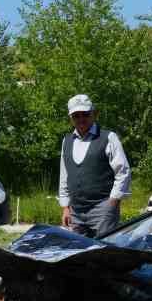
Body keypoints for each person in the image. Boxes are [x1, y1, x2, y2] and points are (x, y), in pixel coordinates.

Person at [58, 94, 131, 238]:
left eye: (85, 114)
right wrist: (65, 206)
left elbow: (123, 171)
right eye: (76, 115)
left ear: (93, 114)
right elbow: (64, 175)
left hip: (103, 208)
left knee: (105, 252)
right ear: (71, 118)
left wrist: (113, 202)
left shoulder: (109, 137)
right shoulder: (66, 141)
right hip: (75, 210)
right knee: (77, 253)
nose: (81, 119)